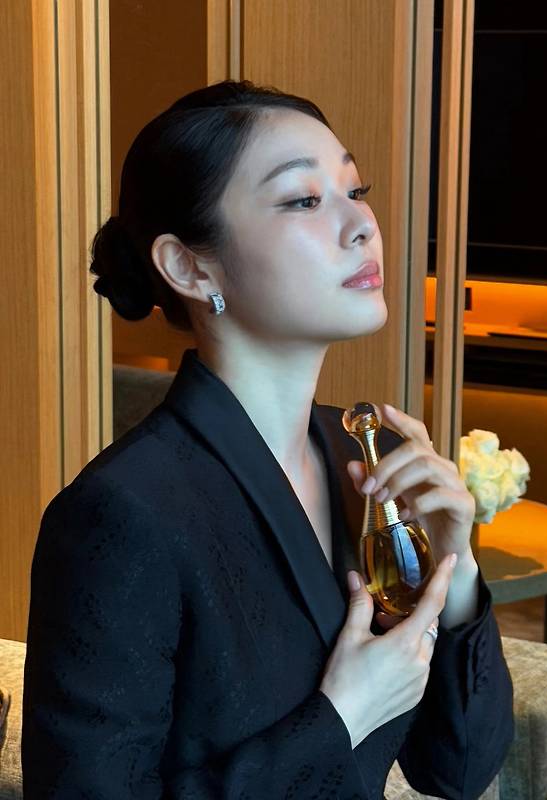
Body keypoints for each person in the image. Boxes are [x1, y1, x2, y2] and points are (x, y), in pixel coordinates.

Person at [21, 79, 514, 799]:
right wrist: (341, 718)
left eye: (355, 189)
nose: (361, 224)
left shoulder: (366, 461)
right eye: (304, 200)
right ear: (190, 266)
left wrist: (457, 573)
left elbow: (459, 768)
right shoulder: (121, 515)